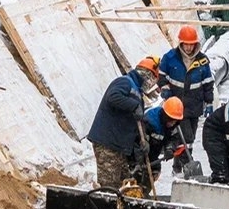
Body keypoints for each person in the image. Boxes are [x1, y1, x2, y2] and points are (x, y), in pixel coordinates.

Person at [87, 57, 160, 189]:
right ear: (147, 75)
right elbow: (113, 97)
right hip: (107, 142)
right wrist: (133, 105)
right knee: (110, 185)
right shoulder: (125, 82)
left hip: (119, 146)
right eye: (153, 79)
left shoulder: (138, 93)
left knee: (125, 185)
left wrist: (143, 141)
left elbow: (136, 122)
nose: (151, 84)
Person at [158, 26, 214, 172]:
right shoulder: (170, 58)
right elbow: (162, 77)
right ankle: (186, 165)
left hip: (194, 105)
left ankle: (177, 166)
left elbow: (208, 82)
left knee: (189, 137)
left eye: (191, 44)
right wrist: (165, 89)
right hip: (177, 106)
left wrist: (209, 102)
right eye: (186, 44)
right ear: (181, 43)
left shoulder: (202, 61)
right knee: (185, 137)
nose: (189, 48)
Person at [137, 97, 186, 187]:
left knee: (154, 171)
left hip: (153, 155)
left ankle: (144, 191)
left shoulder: (174, 126)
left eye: (175, 121)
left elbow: (174, 139)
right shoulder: (149, 120)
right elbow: (139, 135)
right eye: (170, 120)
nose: (172, 123)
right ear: (165, 115)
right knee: (136, 174)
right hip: (139, 153)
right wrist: (144, 142)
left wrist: (170, 149)